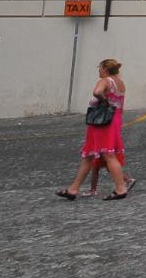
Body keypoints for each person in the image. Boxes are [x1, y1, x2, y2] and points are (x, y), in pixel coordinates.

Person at [57, 59, 134, 200]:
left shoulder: (105, 80)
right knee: (89, 157)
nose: (98, 70)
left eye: (100, 68)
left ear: (105, 69)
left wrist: (104, 101)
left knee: (108, 154)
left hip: (102, 121)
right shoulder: (120, 83)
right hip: (115, 119)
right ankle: (73, 189)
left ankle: (121, 188)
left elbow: (97, 92)